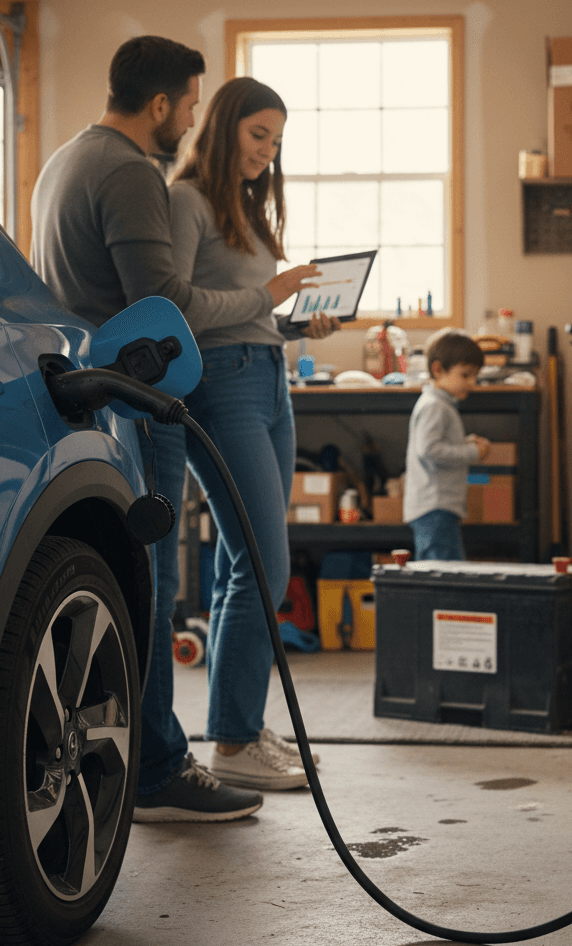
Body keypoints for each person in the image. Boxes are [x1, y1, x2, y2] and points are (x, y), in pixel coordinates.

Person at [30, 36, 278, 822]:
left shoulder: (64, 160)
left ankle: (135, 759)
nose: (194, 119)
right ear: (163, 104)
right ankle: (160, 771)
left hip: (86, 397)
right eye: (194, 104)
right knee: (154, 588)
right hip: (139, 404)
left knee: (130, 587)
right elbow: (162, 307)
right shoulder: (133, 171)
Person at [167, 77, 338, 791]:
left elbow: (247, 311)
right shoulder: (186, 201)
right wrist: (271, 294)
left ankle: (242, 724)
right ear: (226, 125)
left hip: (269, 374)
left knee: (263, 560)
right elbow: (174, 304)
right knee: (260, 562)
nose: (268, 152)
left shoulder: (246, 208)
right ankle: (231, 745)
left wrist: (298, 321)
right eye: (258, 135)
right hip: (223, 382)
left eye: (276, 140)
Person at [403, 329, 491, 560]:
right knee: (443, 576)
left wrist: (464, 443)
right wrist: (471, 452)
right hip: (435, 507)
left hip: (437, 507)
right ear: (438, 370)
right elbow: (430, 450)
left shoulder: (440, 404)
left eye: (475, 376)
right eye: (465, 375)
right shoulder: (435, 406)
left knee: (440, 574)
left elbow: (435, 444)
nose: (472, 383)